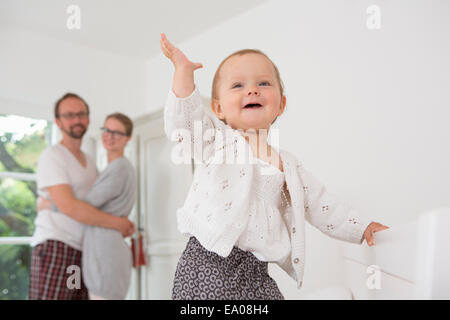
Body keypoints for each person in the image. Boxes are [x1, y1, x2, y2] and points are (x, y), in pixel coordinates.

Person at [160, 33, 389, 300]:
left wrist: (361, 227)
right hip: (206, 263)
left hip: (256, 272)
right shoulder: (216, 142)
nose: (252, 90)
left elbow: (322, 204)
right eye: (238, 85)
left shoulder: (289, 165)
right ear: (218, 108)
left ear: (281, 104)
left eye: (264, 83)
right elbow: (184, 124)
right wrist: (183, 74)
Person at [29, 94, 135, 300]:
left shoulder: (89, 161)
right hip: (56, 246)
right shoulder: (53, 156)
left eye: (81, 114)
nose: (76, 119)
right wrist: (117, 223)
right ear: (58, 122)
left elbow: (94, 206)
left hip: (83, 250)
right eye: (69, 115)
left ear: (87, 119)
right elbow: (70, 207)